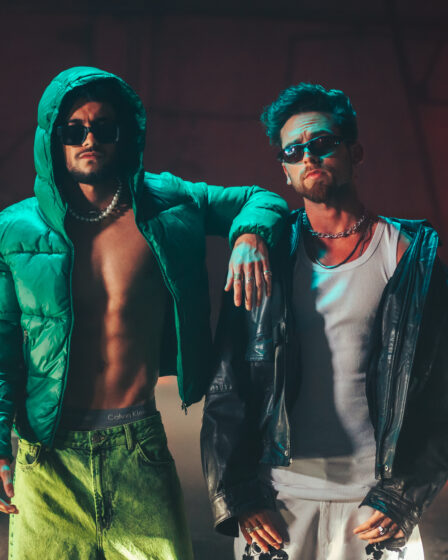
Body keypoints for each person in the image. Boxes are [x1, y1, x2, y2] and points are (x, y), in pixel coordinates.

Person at [0, 66, 289, 559]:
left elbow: (260, 198)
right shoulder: (14, 228)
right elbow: (3, 346)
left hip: (137, 445)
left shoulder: (168, 203)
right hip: (46, 457)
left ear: (124, 133)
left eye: (103, 128)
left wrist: (249, 234)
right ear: (52, 138)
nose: (89, 140)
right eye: (74, 130)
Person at [201, 83, 448, 560]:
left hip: (376, 504)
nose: (308, 156)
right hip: (278, 501)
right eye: (293, 151)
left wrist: (405, 496)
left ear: (355, 152)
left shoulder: (409, 258)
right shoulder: (263, 258)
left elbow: (441, 391)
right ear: (285, 170)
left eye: (322, 142)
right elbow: (228, 385)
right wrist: (241, 496)